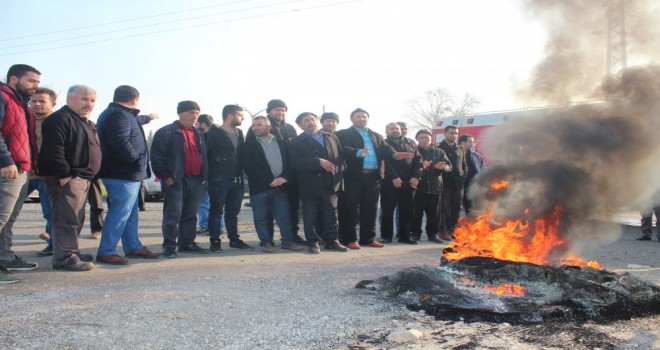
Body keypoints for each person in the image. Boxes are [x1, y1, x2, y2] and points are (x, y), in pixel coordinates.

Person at [95, 85, 161, 265]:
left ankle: (133, 247)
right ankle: (106, 251)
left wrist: (149, 117)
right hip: (121, 173)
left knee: (130, 214)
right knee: (119, 214)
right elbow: (120, 142)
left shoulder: (119, 113)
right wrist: (138, 160)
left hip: (126, 174)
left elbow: (137, 120)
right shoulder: (118, 115)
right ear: (135, 99)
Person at [39, 85, 100, 272]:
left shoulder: (82, 121)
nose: (89, 104)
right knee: (66, 220)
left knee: (75, 219)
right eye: (84, 99)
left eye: (92, 100)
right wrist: (64, 173)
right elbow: (53, 149)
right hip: (68, 178)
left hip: (81, 178)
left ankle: (71, 252)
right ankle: (65, 258)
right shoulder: (60, 119)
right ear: (69, 99)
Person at [336, 108, 410, 249]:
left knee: (370, 209)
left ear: (368, 119)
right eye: (358, 116)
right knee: (349, 209)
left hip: (373, 177)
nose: (361, 119)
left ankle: (368, 238)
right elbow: (340, 149)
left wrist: (395, 155)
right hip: (352, 177)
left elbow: (385, 148)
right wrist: (356, 152)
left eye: (364, 116)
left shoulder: (375, 135)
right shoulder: (342, 134)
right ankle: (349, 239)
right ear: (352, 119)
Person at [151, 100, 208, 258]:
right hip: (176, 180)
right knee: (172, 214)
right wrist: (166, 178)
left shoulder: (199, 134)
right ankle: (169, 245)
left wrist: (204, 176)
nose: (194, 116)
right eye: (191, 112)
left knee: (191, 214)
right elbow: (157, 157)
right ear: (180, 113)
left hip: (196, 180)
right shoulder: (166, 132)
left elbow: (203, 156)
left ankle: (187, 242)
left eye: (197, 113)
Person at [239, 116, 304, 253]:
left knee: (284, 217)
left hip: (281, 187)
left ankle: (288, 241)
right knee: (261, 217)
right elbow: (249, 167)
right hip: (259, 188)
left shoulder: (282, 143)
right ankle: (266, 242)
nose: (255, 127)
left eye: (259, 125)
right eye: (254, 125)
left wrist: (283, 178)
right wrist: (269, 180)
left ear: (268, 127)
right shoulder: (247, 145)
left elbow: (290, 163)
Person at [0, 64, 40, 283]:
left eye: (37, 82)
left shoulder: (22, 104)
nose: (35, 86)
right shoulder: (3, 97)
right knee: (1, 217)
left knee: (9, 219)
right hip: (7, 168)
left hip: (21, 169)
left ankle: (5, 258)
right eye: (31, 81)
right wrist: (5, 160)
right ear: (14, 79)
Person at [289, 112, 349, 254]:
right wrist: (317, 162)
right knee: (310, 217)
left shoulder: (332, 137)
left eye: (312, 119)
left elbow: (341, 157)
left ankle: (332, 241)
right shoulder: (296, 142)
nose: (310, 122)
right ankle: (313, 242)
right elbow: (295, 163)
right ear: (300, 125)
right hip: (310, 184)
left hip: (331, 182)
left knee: (332, 215)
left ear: (317, 121)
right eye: (306, 120)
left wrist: (339, 169)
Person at [205, 105, 252, 252]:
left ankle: (234, 239)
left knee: (233, 212)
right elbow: (206, 156)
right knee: (216, 211)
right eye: (240, 115)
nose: (243, 118)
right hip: (218, 179)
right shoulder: (212, 133)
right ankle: (215, 241)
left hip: (237, 179)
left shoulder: (239, 133)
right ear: (230, 116)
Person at [379, 123, 421, 244]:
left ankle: (405, 236)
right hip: (389, 183)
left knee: (407, 211)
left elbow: (418, 160)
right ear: (386, 131)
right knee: (387, 211)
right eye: (391, 129)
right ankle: (386, 236)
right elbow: (384, 162)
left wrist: (416, 176)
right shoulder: (383, 144)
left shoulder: (411, 143)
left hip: (408, 183)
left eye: (397, 128)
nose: (395, 131)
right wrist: (393, 177)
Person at [27, 87, 56, 255]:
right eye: (34, 101)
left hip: (47, 176)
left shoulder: (57, 121)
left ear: (52, 103)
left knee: (50, 213)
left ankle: (53, 244)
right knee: (6, 212)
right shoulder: (24, 119)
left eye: (42, 101)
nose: (37, 104)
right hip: (24, 174)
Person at [410, 129, 451, 243]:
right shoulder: (413, 151)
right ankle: (415, 234)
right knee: (416, 213)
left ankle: (433, 234)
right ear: (417, 139)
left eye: (426, 137)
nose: (423, 140)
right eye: (421, 138)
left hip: (435, 188)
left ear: (431, 138)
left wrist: (442, 167)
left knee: (434, 214)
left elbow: (449, 167)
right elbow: (409, 168)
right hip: (418, 188)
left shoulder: (439, 152)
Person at [437, 125, 468, 241]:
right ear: (444, 134)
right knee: (443, 208)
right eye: (451, 133)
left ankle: (454, 231)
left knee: (456, 209)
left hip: (458, 184)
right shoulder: (439, 147)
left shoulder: (460, 148)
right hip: (444, 183)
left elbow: (464, 165)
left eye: (455, 133)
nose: (453, 135)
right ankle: (442, 231)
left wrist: (463, 177)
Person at [195, 114, 213, 237]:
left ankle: (205, 225)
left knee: (203, 202)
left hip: (205, 175)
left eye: (197, 123)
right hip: (216, 175)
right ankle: (218, 225)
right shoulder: (219, 135)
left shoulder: (201, 136)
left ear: (203, 124)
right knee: (215, 202)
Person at [458, 134, 484, 215]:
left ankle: (471, 225)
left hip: (473, 187)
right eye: (470, 142)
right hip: (457, 187)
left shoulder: (477, 156)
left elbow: (482, 170)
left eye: (473, 142)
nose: (472, 144)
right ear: (462, 143)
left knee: (472, 209)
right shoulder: (455, 155)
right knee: (454, 209)